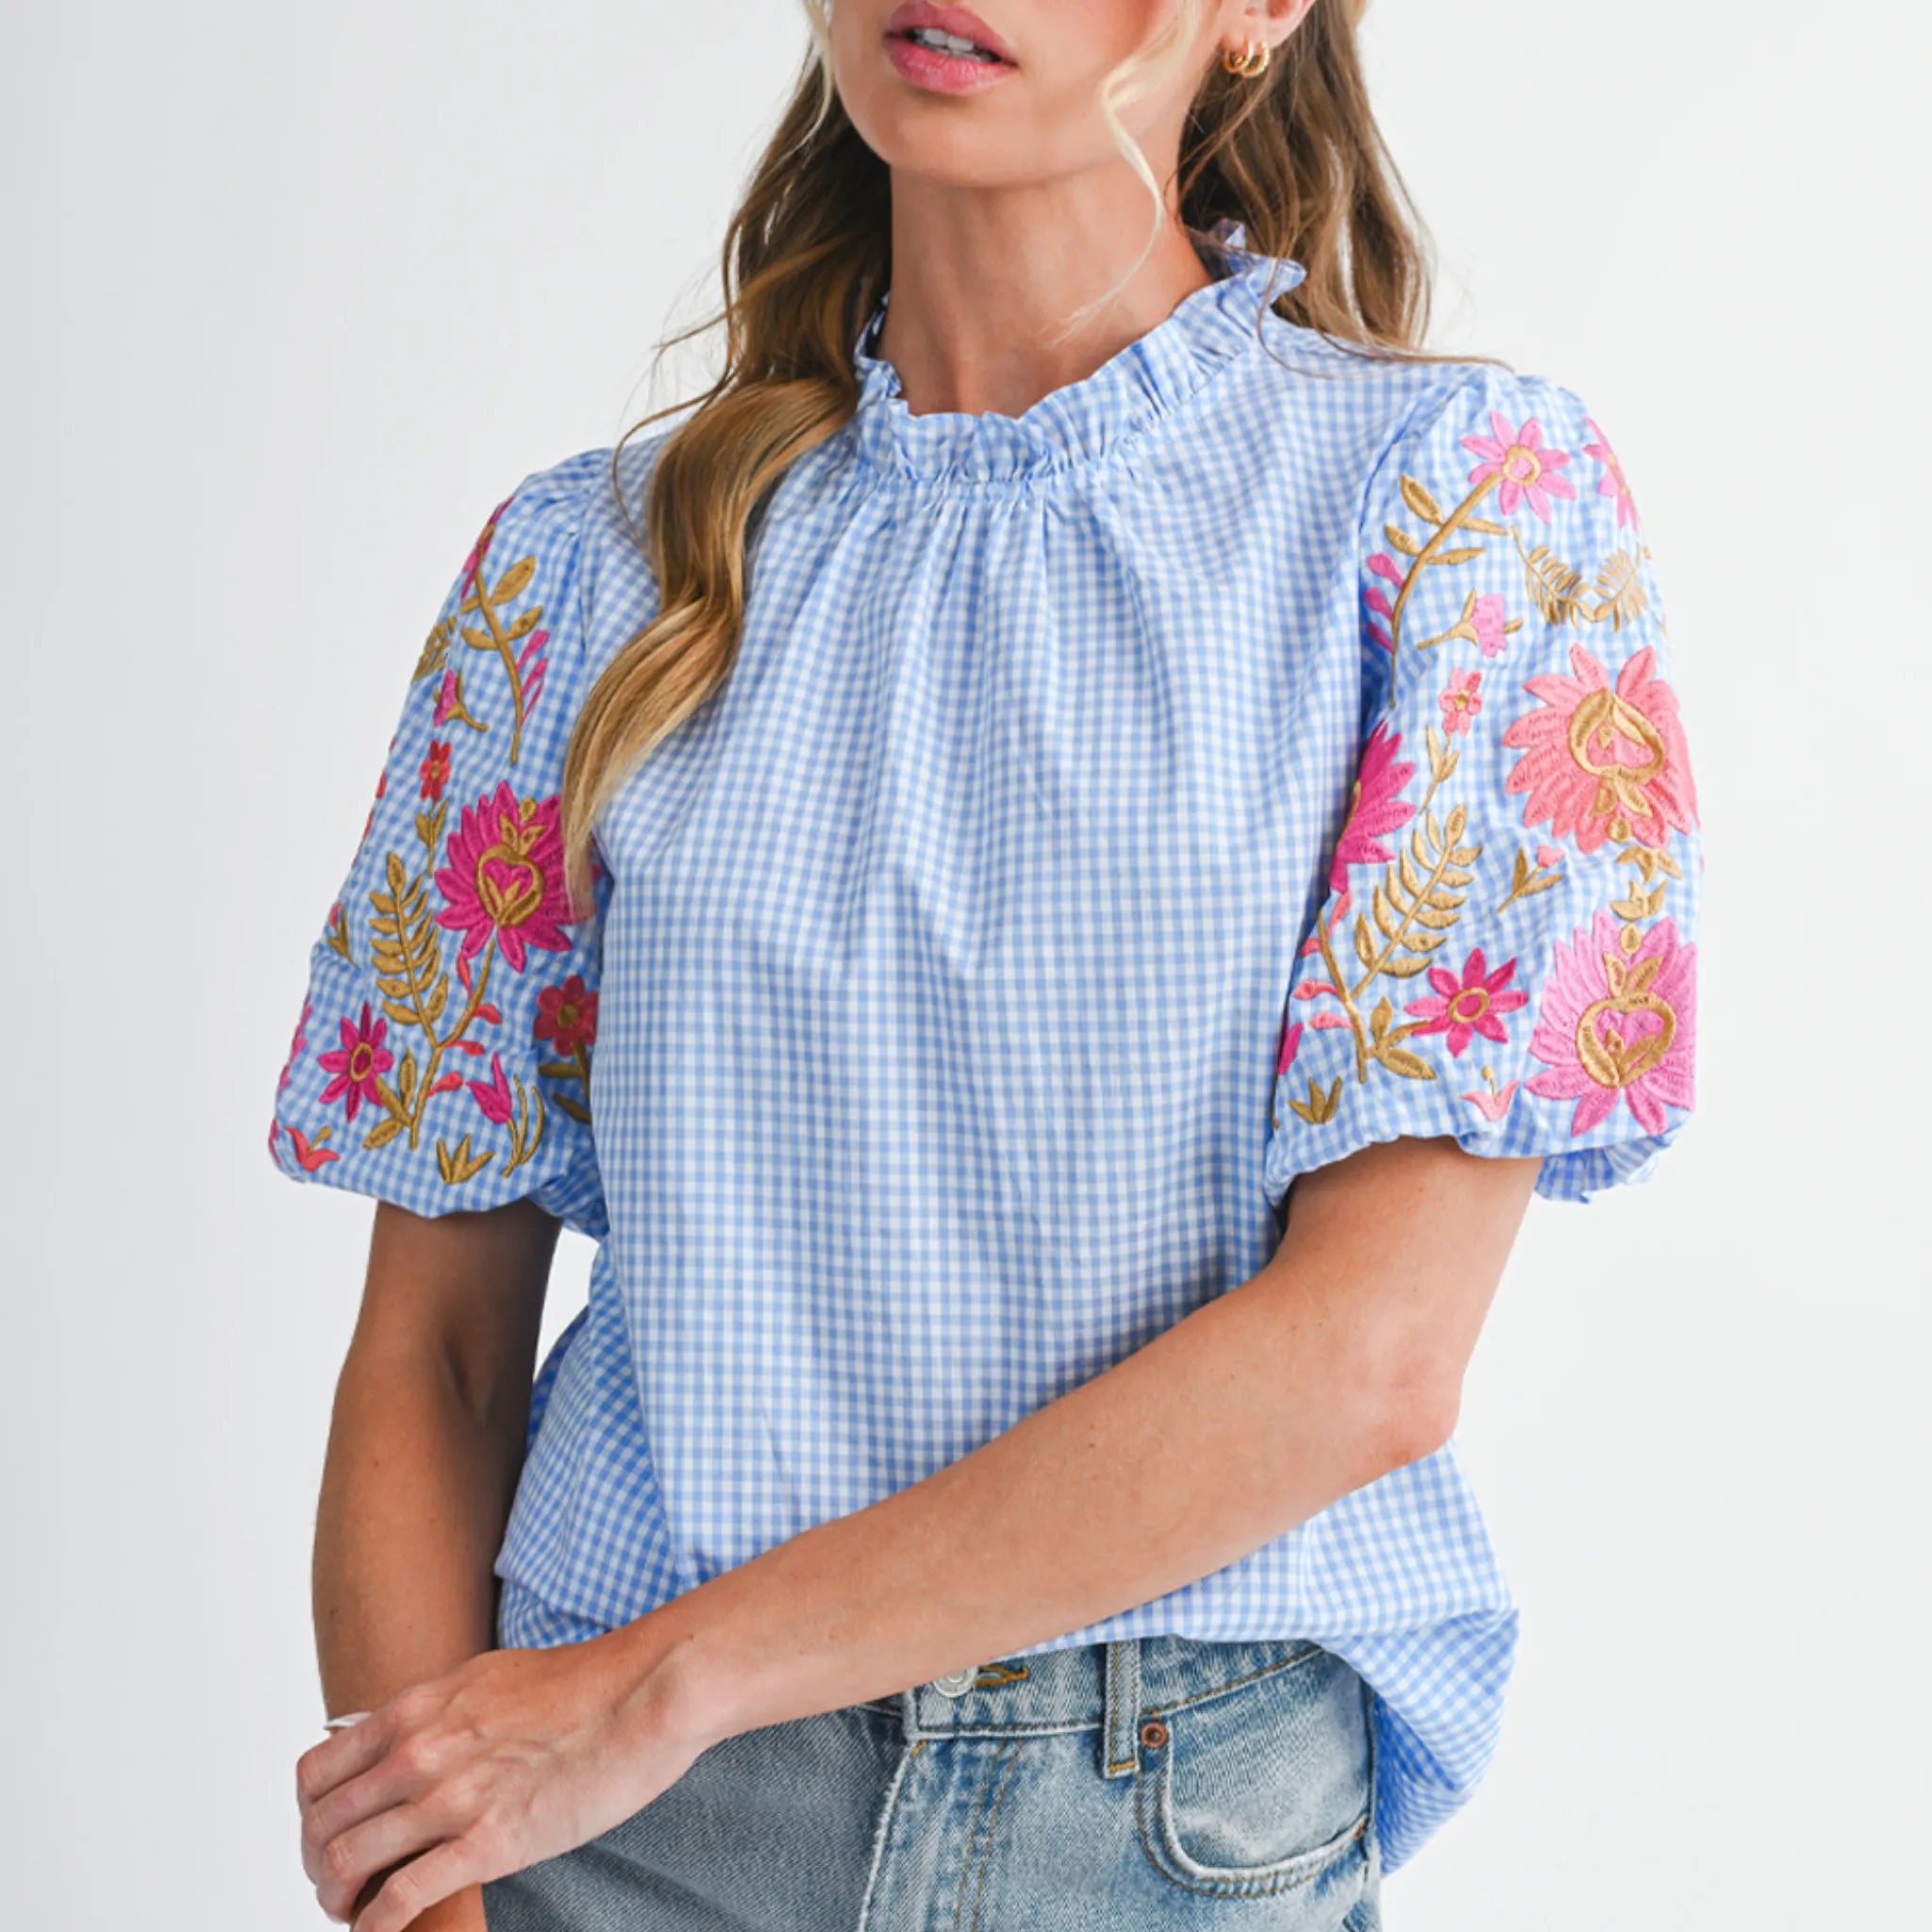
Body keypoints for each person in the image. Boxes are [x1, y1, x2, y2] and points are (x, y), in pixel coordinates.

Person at [274, 2, 1704, 1927]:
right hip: (613, 1843)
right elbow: (437, 1354)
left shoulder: (1452, 514)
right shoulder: (581, 576)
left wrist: (656, 1684)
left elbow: (1366, 1361)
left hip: (1156, 1825)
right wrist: (434, 1880)